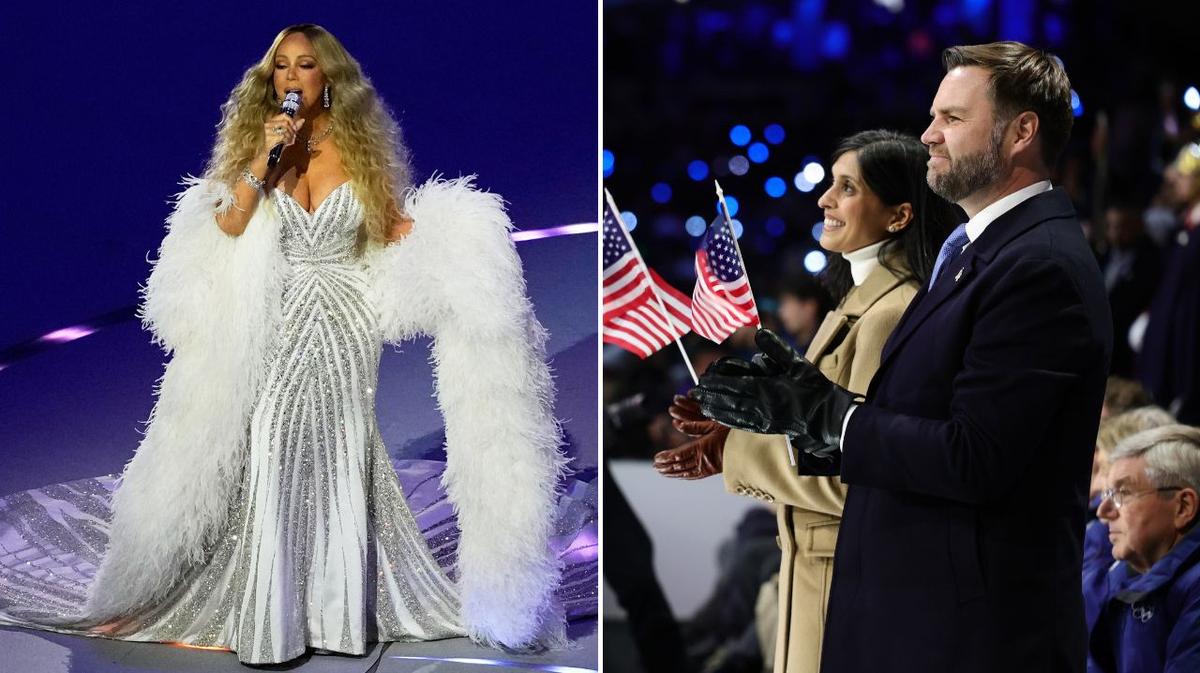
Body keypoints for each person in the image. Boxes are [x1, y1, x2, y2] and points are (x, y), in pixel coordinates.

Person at [0, 24, 568, 664]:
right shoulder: (260, 143)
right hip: (279, 315)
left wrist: (463, 242)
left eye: (305, 66)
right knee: (271, 440)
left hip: (347, 321)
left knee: (342, 448)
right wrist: (263, 159)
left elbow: (389, 227)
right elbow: (230, 221)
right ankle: (273, 612)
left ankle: (335, 613)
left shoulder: (360, 149)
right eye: (282, 68)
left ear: (329, 78)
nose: (292, 78)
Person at [691, 41, 1112, 672]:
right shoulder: (978, 255)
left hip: (966, 639)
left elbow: (975, 457)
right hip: (916, 620)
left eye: (952, 119)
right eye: (934, 116)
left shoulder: (1039, 266)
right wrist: (807, 407)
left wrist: (830, 416)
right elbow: (916, 419)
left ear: (1023, 131)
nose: (929, 135)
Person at [655, 129, 958, 673]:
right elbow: (822, 438)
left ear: (899, 215)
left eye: (847, 187)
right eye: (830, 183)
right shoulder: (856, 306)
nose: (825, 198)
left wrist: (739, 451)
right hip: (817, 574)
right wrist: (743, 429)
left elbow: (865, 473)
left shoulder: (893, 313)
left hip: (848, 583)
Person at [1085, 425, 1200, 673]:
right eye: (1108, 494)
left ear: (1183, 507)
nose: (1103, 511)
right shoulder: (1119, 578)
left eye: (1123, 493)